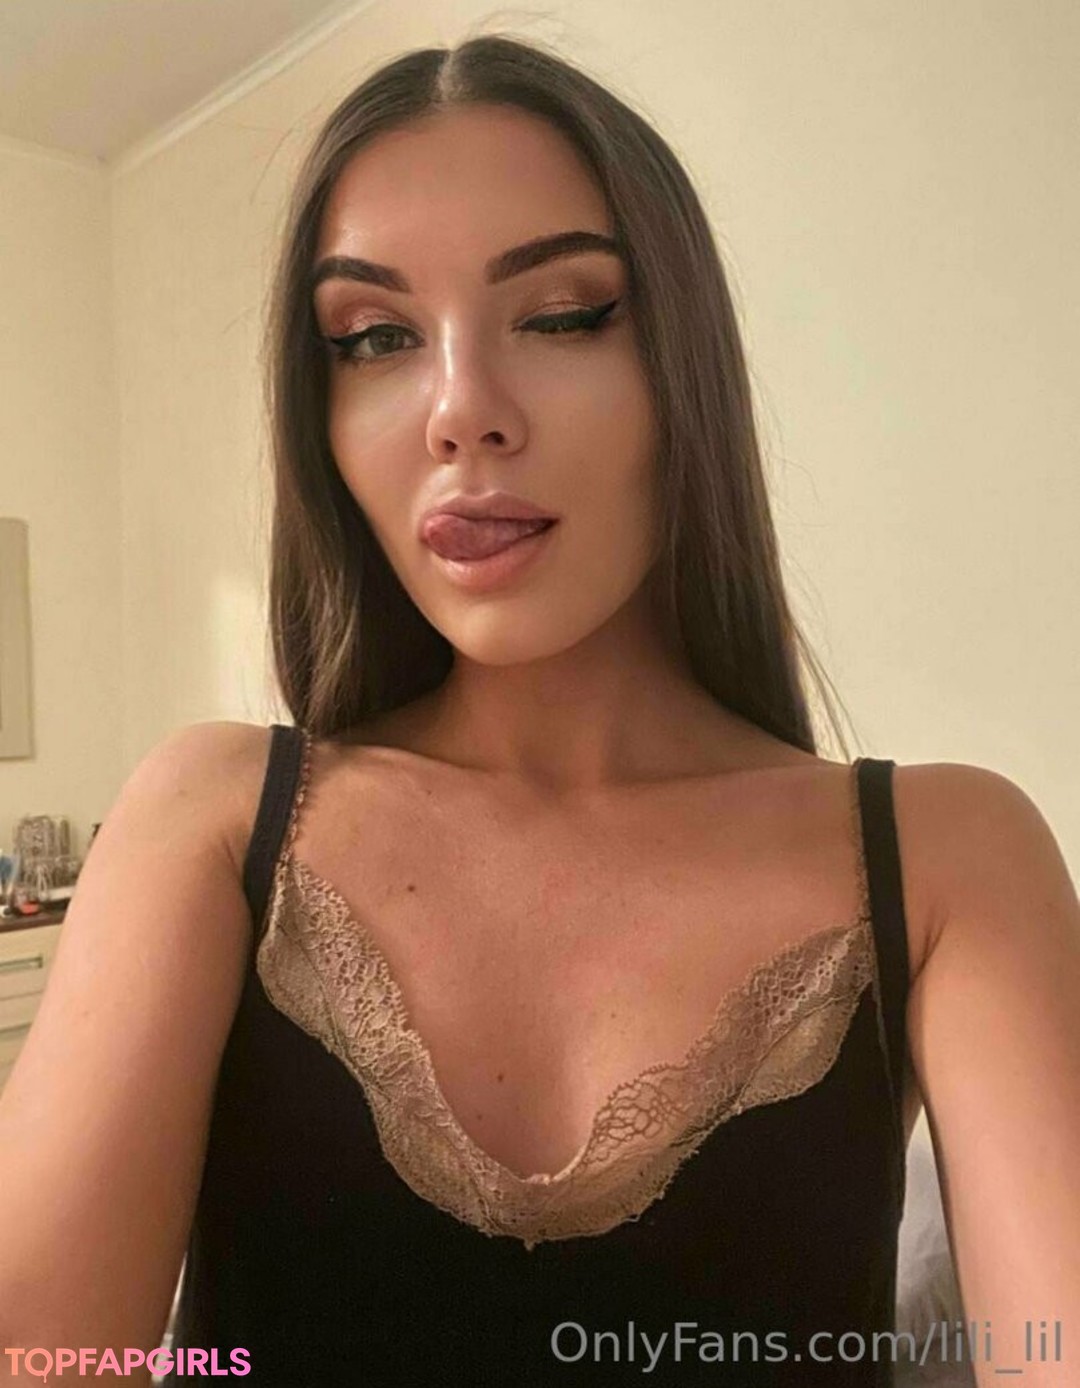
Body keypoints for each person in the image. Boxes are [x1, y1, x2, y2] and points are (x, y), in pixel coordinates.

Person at [1, 33, 1077, 1388]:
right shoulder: (212, 822)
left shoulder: (947, 858)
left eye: (563, 315)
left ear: (684, 365)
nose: (460, 413)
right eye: (376, 338)